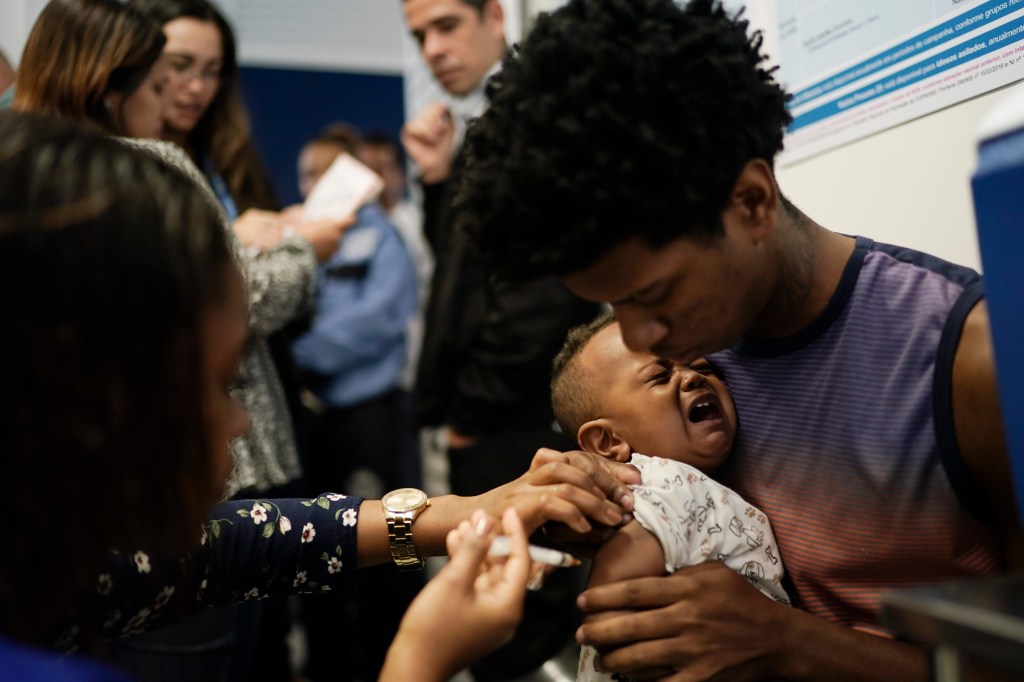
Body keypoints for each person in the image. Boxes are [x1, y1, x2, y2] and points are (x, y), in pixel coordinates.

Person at [453, 0, 1024, 679]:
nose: (641, 340)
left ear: (752, 201)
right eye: (613, 303)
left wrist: (794, 644)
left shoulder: (967, 360)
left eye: (653, 296)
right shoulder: (674, 386)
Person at [0, 108, 639, 681]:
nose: (241, 422)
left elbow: (242, 544)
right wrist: (420, 660)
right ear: (85, 402)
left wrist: (453, 514)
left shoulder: (66, 562)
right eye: (218, 386)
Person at [402, 0, 604, 675]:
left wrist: (471, 417)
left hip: (512, 422)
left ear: (495, 15)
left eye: (446, 24)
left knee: (516, 626)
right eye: (419, 35)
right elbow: (466, 274)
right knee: (500, 619)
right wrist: (437, 181)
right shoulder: (490, 123)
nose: (432, 49)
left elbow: (539, 300)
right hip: (493, 420)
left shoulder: (531, 114)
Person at [550, 312, 790, 680]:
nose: (693, 376)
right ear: (608, 442)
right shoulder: (662, 481)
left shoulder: (699, 484)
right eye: (660, 376)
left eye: (704, 368)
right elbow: (618, 587)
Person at [290, 124, 422, 681]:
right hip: (312, 420)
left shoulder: (380, 237)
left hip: (369, 416)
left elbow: (375, 321)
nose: (314, 184)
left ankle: (390, 665)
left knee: (387, 550)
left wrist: (296, 353)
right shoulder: (295, 238)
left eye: (325, 172)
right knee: (314, 551)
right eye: (305, 175)